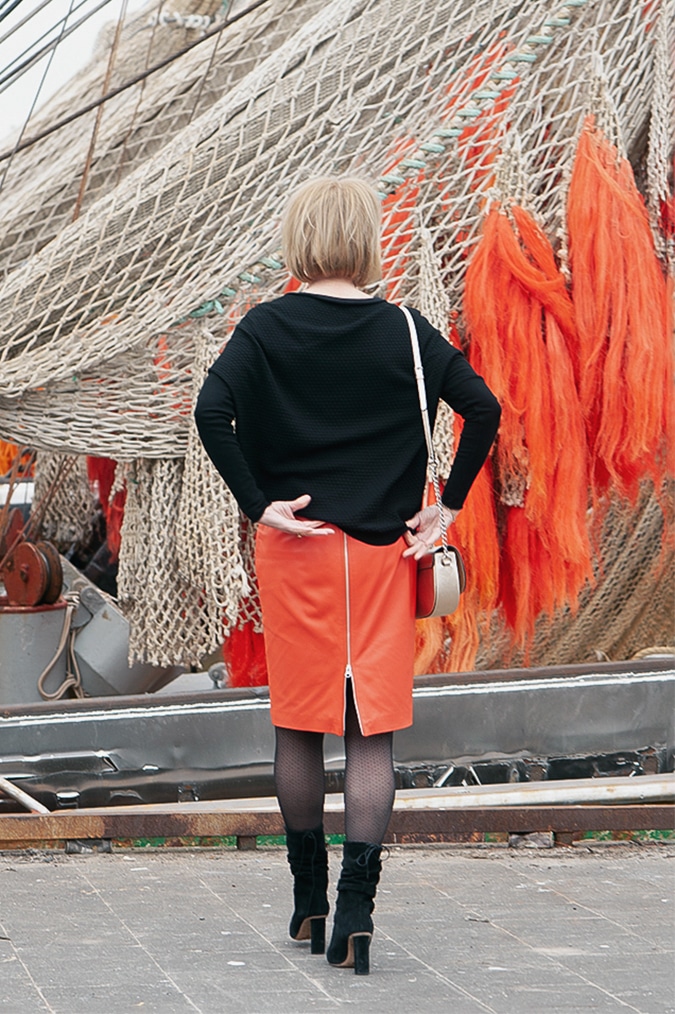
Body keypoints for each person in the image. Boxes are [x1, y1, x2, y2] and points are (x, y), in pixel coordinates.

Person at [194, 176, 501, 975]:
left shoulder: (264, 328)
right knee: (370, 735)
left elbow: (210, 412)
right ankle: (357, 914)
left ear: (298, 240)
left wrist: (259, 504)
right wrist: (446, 509)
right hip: (380, 557)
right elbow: (483, 409)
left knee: (298, 727)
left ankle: (309, 901)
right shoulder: (404, 329)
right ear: (366, 240)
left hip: (295, 551)